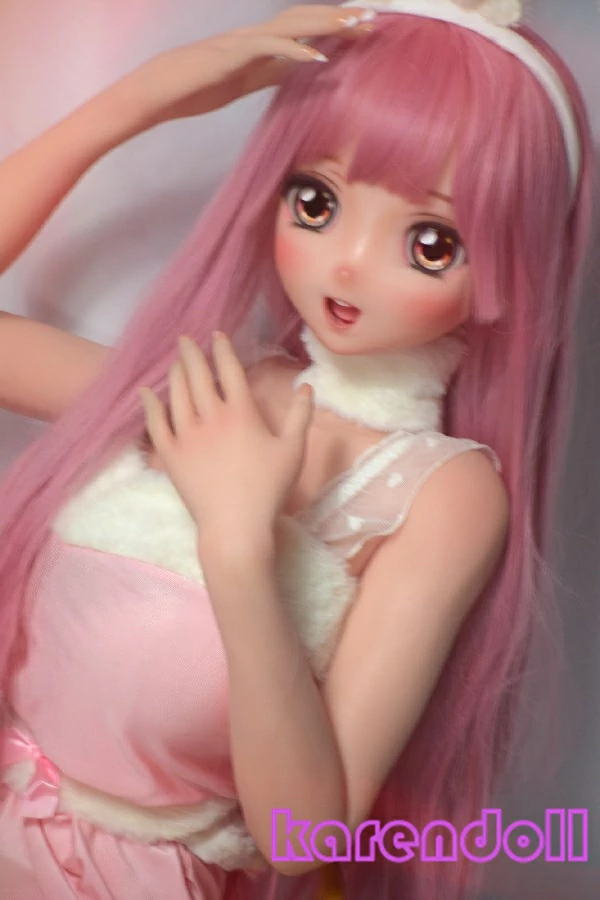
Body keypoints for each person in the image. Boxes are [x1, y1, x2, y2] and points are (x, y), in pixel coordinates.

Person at [0, 2, 593, 899]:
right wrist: (138, 102)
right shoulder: (220, 389)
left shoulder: (441, 496)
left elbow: (300, 835)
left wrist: (239, 544)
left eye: (430, 242)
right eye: (316, 201)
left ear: (510, 266)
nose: (347, 264)